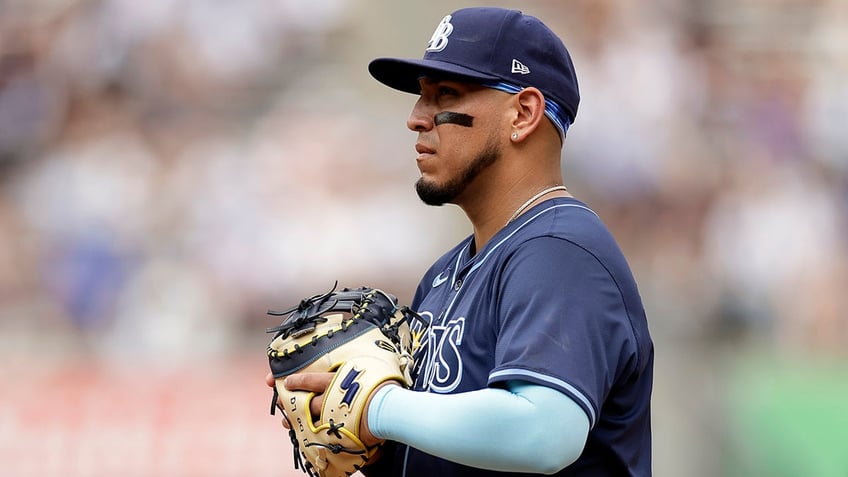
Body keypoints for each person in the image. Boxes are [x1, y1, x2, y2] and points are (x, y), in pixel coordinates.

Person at [269, 7, 653, 476]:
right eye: (420, 97)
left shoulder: (560, 250)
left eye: (444, 95)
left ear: (524, 112)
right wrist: (360, 432)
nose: (415, 118)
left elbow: (546, 433)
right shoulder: (444, 276)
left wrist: (377, 408)